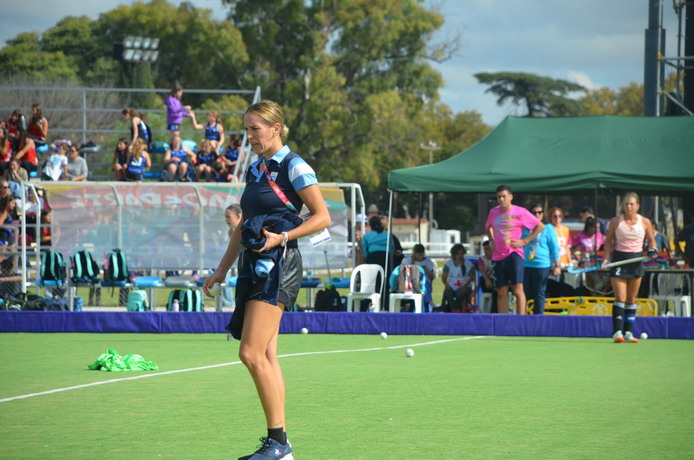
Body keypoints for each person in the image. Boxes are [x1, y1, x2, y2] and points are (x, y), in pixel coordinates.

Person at [202, 100, 330, 459]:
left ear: (276, 128)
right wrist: (222, 269)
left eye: (255, 128)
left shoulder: (295, 166)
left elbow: (321, 217)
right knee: (267, 354)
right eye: (246, 129)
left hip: (281, 263)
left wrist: (283, 238)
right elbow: (243, 227)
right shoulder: (256, 169)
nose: (249, 136)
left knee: (250, 352)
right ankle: (280, 446)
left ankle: (279, 443)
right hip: (254, 265)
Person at [602, 192, 657, 343]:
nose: (629, 207)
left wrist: (652, 250)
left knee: (631, 299)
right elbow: (608, 242)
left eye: (632, 204)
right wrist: (606, 258)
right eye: (626, 204)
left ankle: (628, 333)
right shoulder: (616, 221)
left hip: (636, 260)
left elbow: (652, 241)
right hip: (620, 260)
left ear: (637, 206)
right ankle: (617, 332)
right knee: (620, 297)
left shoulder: (644, 222)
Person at [485, 185, 544, 315]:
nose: (501, 199)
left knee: (517, 289)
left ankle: (520, 320)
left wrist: (524, 241)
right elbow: (487, 227)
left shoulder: (520, 212)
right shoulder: (494, 212)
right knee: (501, 291)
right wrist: (491, 240)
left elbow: (540, 226)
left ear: (510, 197)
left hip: (514, 254)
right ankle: (502, 320)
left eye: (504, 196)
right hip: (498, 256)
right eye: (499, 197)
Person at [522, 205, 561, 315]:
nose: (537, 215)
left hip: (542, 265)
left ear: (543, 214)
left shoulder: (548, 228)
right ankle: (526, 319)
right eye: (534, 213)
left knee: (539, 293)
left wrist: (557, 266)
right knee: (525, 293)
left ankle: (538, 320)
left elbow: (554, 248)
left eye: (539, 212)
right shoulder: (525, 227)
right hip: (526, 264)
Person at [440, 243, 477, 312]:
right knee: (447, 292)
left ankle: (457, 309)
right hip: (451, 286)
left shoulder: (469, 264)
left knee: (460, 293)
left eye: (461, 254)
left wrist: (465, 286)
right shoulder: (448, 264)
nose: (460, 256)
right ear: (454, 255)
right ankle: (453, 309)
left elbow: (471, 278)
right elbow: (444, 277)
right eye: (458, 254)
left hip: (464, 287)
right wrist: (446, 284)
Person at [403, 244, 436, 312]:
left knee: (425, 285)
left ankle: (429, 304)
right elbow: (404, 273)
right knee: (423, 286)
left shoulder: (428, 261)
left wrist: (427, 271)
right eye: (418, 256)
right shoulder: (409, 261)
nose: (420, 257)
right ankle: (431, 304)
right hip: (412, 283)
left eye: (421, 255)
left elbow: (432, 277)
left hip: (425, 282)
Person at [478, 240, 497, 313]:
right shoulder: (482, 259)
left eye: (487, 249)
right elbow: (482, 270)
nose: (486, 252)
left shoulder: (497, 258)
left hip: (497, 280)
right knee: (483, 279)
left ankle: (495, 310)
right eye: (484, 250)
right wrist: (487, 279)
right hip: (488, 281)